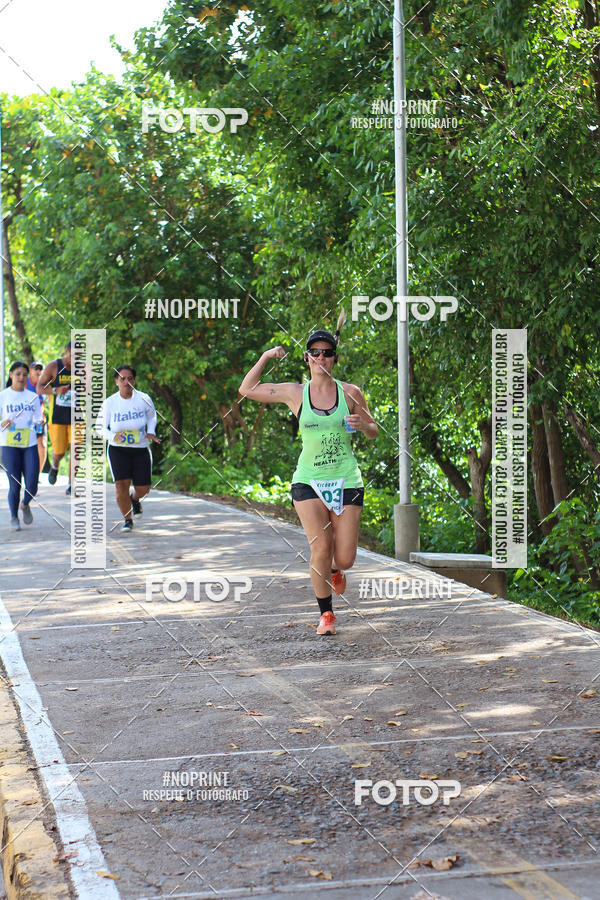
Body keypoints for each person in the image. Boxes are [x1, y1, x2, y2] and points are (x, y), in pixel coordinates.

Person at [239, 329, 378, 635]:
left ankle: (335, 570)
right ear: (307, 358)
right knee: (321, 547)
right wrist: (266, 356)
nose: (321, 357)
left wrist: (363, 425)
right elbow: (247, 389)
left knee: (345, 558)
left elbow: (374, 431)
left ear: (334, 359)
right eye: (315, 352)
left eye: (327, 353)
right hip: (308, 482)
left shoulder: (351, 393)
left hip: (347, 481)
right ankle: (326, 614)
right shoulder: (295, 393)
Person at [95, 365, 161, 532]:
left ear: (134, 381)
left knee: (143, 489)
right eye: (122, 379)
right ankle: (128, 519)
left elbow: (152, 416)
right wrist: (112, 436)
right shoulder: (110, 403)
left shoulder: (143, 398)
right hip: (118, 450)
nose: (126, 382)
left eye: (130, 378)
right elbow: (99, 427)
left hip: (140, 449)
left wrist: (151, 431)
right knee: (121, 486)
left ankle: (135, 499)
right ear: (116, 381)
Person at [0, 361, 44, 531]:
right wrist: (3, 423)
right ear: (11, 374)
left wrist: (40, 423)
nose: (21, 377)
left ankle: (25, 504)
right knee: (15, 484)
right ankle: (13, 517)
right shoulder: (3, 396)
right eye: (18, 374)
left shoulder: (32, 396)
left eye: (24, 375)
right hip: (9, 445)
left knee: (32, 484)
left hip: (29, 443)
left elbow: (38, 418)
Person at [37, 342, 73, 494]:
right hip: (57, 417)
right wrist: (55, 391)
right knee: (59, 452)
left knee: (77, 450)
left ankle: (71, 485)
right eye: (74, 354)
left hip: (77, 416)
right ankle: (55, 465)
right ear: (67, 351)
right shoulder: (53, 367)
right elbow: (39, 388)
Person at [26, 361, 48, 474]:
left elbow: (48, 402)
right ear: (30, 371)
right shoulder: (24, 383)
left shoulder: (45, 384)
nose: (38, 371)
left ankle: (36, 475)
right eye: (36, 369)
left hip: (40, 421)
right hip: (25, 421)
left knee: (42, 445)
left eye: (40, 369)